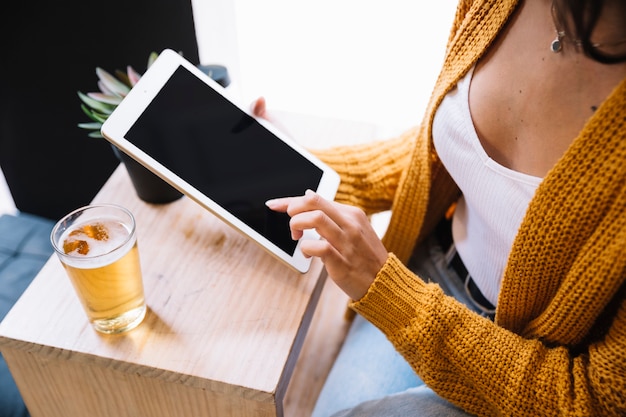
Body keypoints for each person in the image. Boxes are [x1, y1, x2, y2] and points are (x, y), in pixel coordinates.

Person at [255, 0, 626, 415]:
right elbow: (453, 146)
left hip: (537, 366)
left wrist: (391, 294)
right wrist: (315, 173)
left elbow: (594, 400)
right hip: (428, 272)